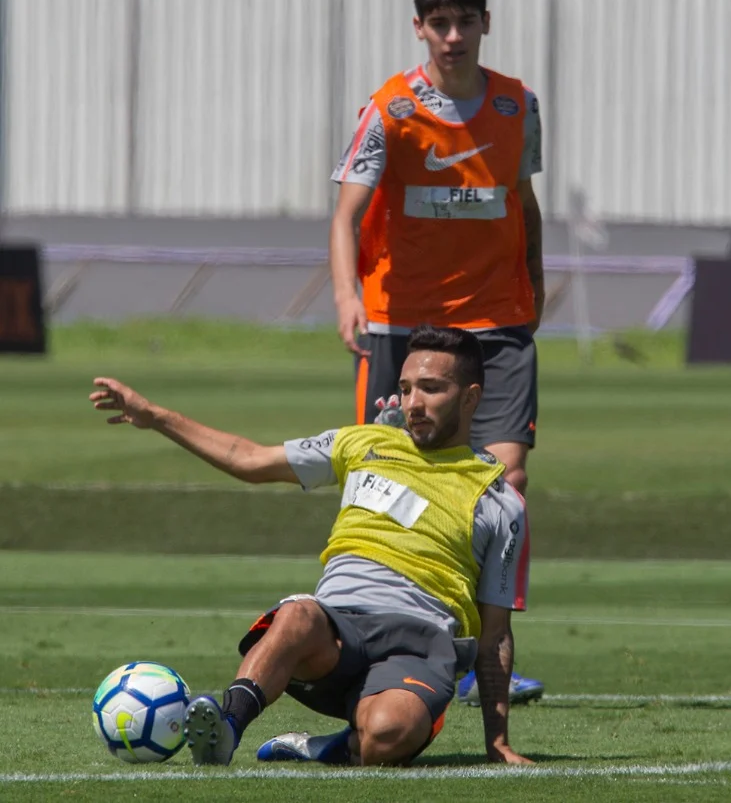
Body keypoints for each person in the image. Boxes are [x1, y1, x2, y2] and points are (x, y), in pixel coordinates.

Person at [88, 325, 533, 768]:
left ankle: (332, 745)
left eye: (431, 389)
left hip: (419, 642)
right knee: (298, 613)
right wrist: (154, 416)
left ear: (471, 397)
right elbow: (249, 459)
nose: (413, 403)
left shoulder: (498, 499)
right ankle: (227, 725)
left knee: (384, 738)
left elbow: (494, 635)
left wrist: (498, 744)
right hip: (335, 630)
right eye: (405, 388)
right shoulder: (364, 442)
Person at [328, 0, 544, 705]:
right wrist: (346, 295)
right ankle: (379, 638)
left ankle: (493, 657)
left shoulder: (519, 106)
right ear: (419, 28)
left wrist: (537, 282)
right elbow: (347, 215)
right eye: (439, 24)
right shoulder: (389, 109)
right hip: (400, 322)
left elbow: (523, 200)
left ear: (487, 23)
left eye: (465, 21)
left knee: (507, 483)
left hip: (499, 321)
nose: (453, 36)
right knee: (382, 479)